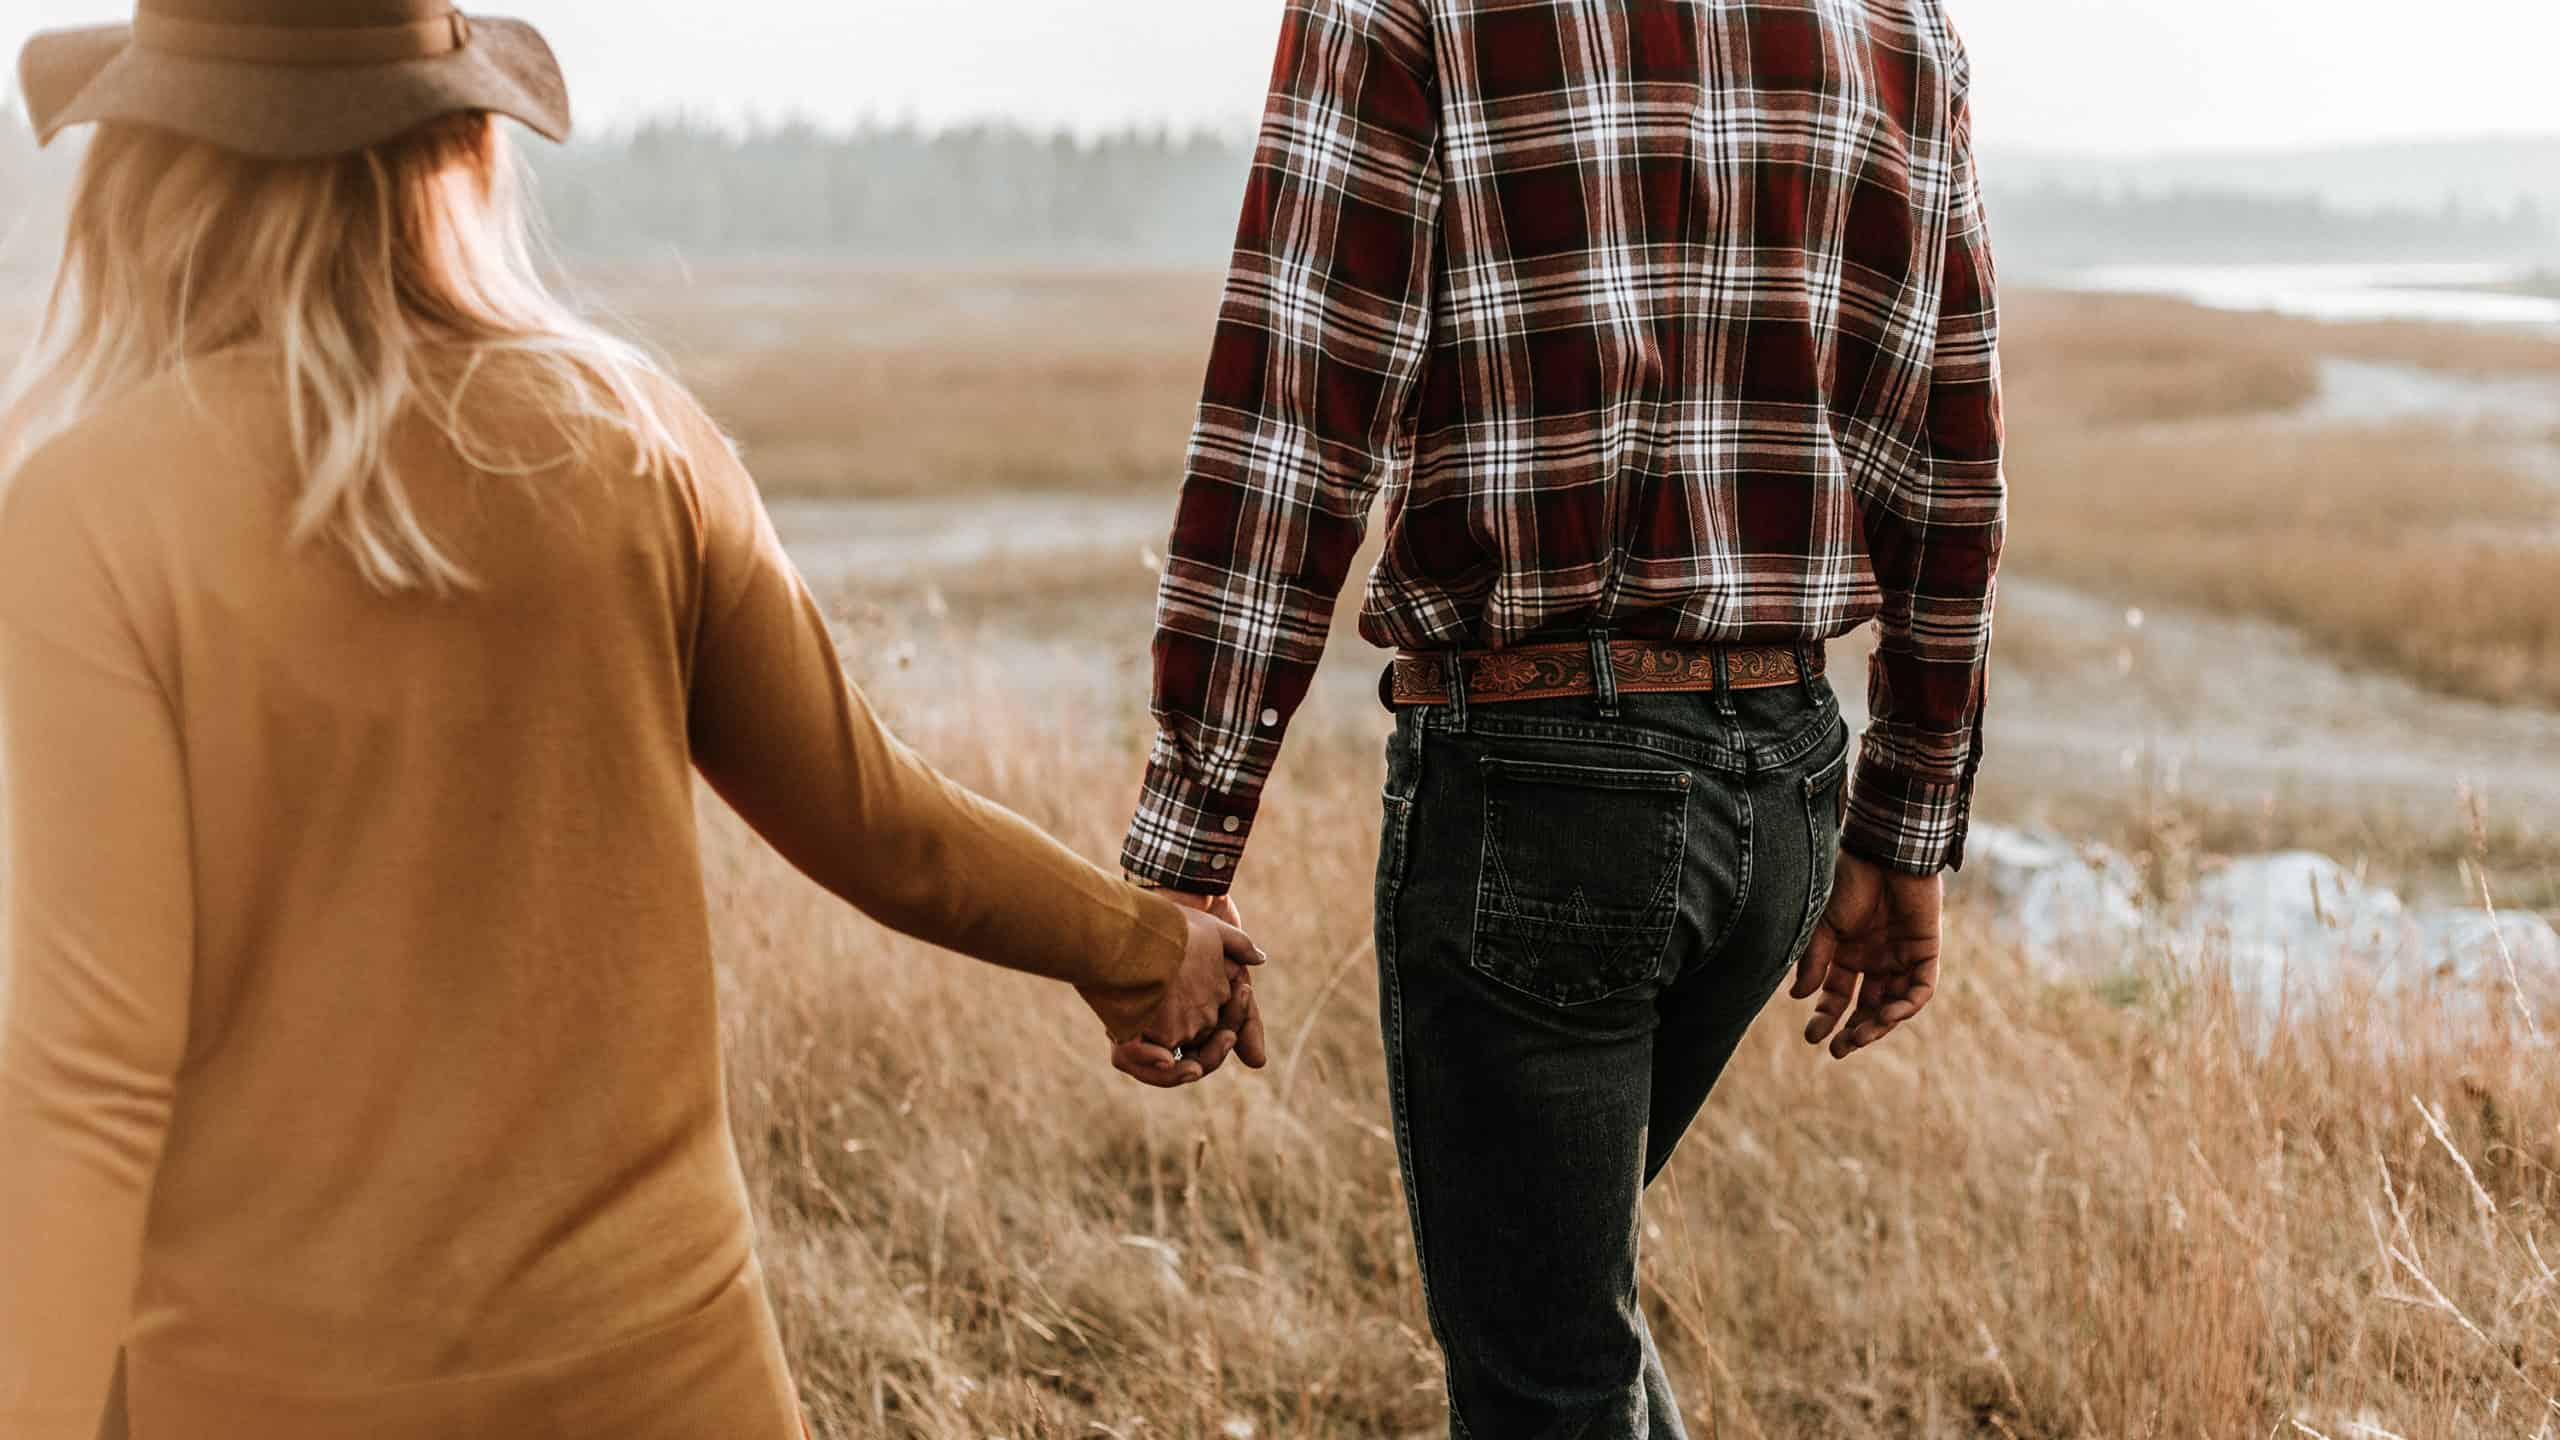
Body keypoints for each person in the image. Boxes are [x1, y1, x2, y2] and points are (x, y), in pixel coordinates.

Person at [0, 6, 1266, 1437]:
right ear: (461, 148)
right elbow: (879, 821)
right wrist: (1140, 946)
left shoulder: (90, 512)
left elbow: (83, 1085)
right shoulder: (634, 438)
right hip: (676, 1385)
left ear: (148, 165)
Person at [1118, 0, 2004, 1431]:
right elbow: (1947, 447)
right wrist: (1904, 825)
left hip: (1546, 795)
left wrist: (1184, 847)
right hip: (1780, 784)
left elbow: (1295, 419)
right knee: (1567, 1316)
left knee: (1548, 1369)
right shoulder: (1892, 21)